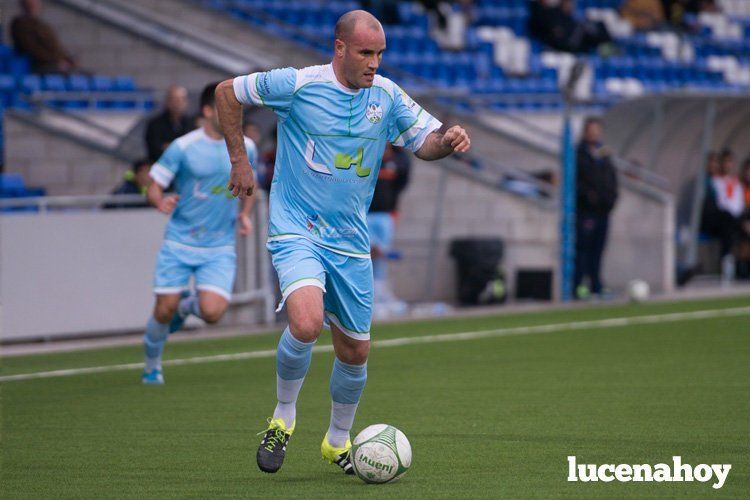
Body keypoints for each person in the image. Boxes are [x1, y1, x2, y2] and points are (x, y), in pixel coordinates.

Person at [215, 9, 470, 475]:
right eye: (365, 52)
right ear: (340, 48)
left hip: (351, 239)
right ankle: (283, 418)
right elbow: (226, 92)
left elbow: (426, 142)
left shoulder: (388, 96)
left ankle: (336, 442)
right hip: (296, 228)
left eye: (379, 54)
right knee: (307, 323)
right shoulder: (298, 84)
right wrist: (240, 160)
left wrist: (447, 141)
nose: (374, 63)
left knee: (355, 351)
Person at [141, 82, 258, 385]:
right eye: (227, 107)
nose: (234, 113)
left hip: (219, 245)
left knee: (212, 312)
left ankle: (186, 304)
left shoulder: (248, 148)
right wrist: (159, 200)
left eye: (237, 108)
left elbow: (250, 186)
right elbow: (153, 184)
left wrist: (244, 216)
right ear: (208, 111)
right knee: (162, 310)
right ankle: (152, 364)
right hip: (180, 240)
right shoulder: (184, 147)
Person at [574, 117, 618, 299]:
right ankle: (578, 285)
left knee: (598, 250)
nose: (595, 133)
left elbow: (611, 176)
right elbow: (578, 180)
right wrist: (589, 196)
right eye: (592, 129)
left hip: (604, 210)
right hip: (586, 211)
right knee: (583, 249)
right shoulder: (579, 153)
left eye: (597, 129)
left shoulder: (603, 152)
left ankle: (596, 284)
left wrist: (611, 197)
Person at [368, 143, 411, 317]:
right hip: (365, 214)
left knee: (381, 259)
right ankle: (368, 298)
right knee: (369, 254)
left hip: (385, 214)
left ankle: (380, 297)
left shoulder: (398, 160)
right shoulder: (366, 158)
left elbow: (402, 183)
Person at [10, 0, 79, 74]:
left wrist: (69, 60)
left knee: (87, 75)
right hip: (39, 66)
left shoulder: (43, 25)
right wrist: (57, 61)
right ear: (23, 4)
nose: (33, 5)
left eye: (35, 2)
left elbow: (56, 47)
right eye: (30, 3)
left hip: (55, 64)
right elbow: (32, 48)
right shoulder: (19, 24)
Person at [528, 0, 613, 54]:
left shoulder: (570, 18)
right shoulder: (551, 15)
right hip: (561, 48)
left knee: (597, 27)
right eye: (567, 2)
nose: (570, 5)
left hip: (578, 47)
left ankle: (606, 47)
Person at [144, 85, 194, 162]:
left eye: (182, 99)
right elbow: (155, 150)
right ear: (168, 101)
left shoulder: (191, 123)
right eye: (175, 99)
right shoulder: (155, 124)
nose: (179, 103)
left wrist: (170, 146)